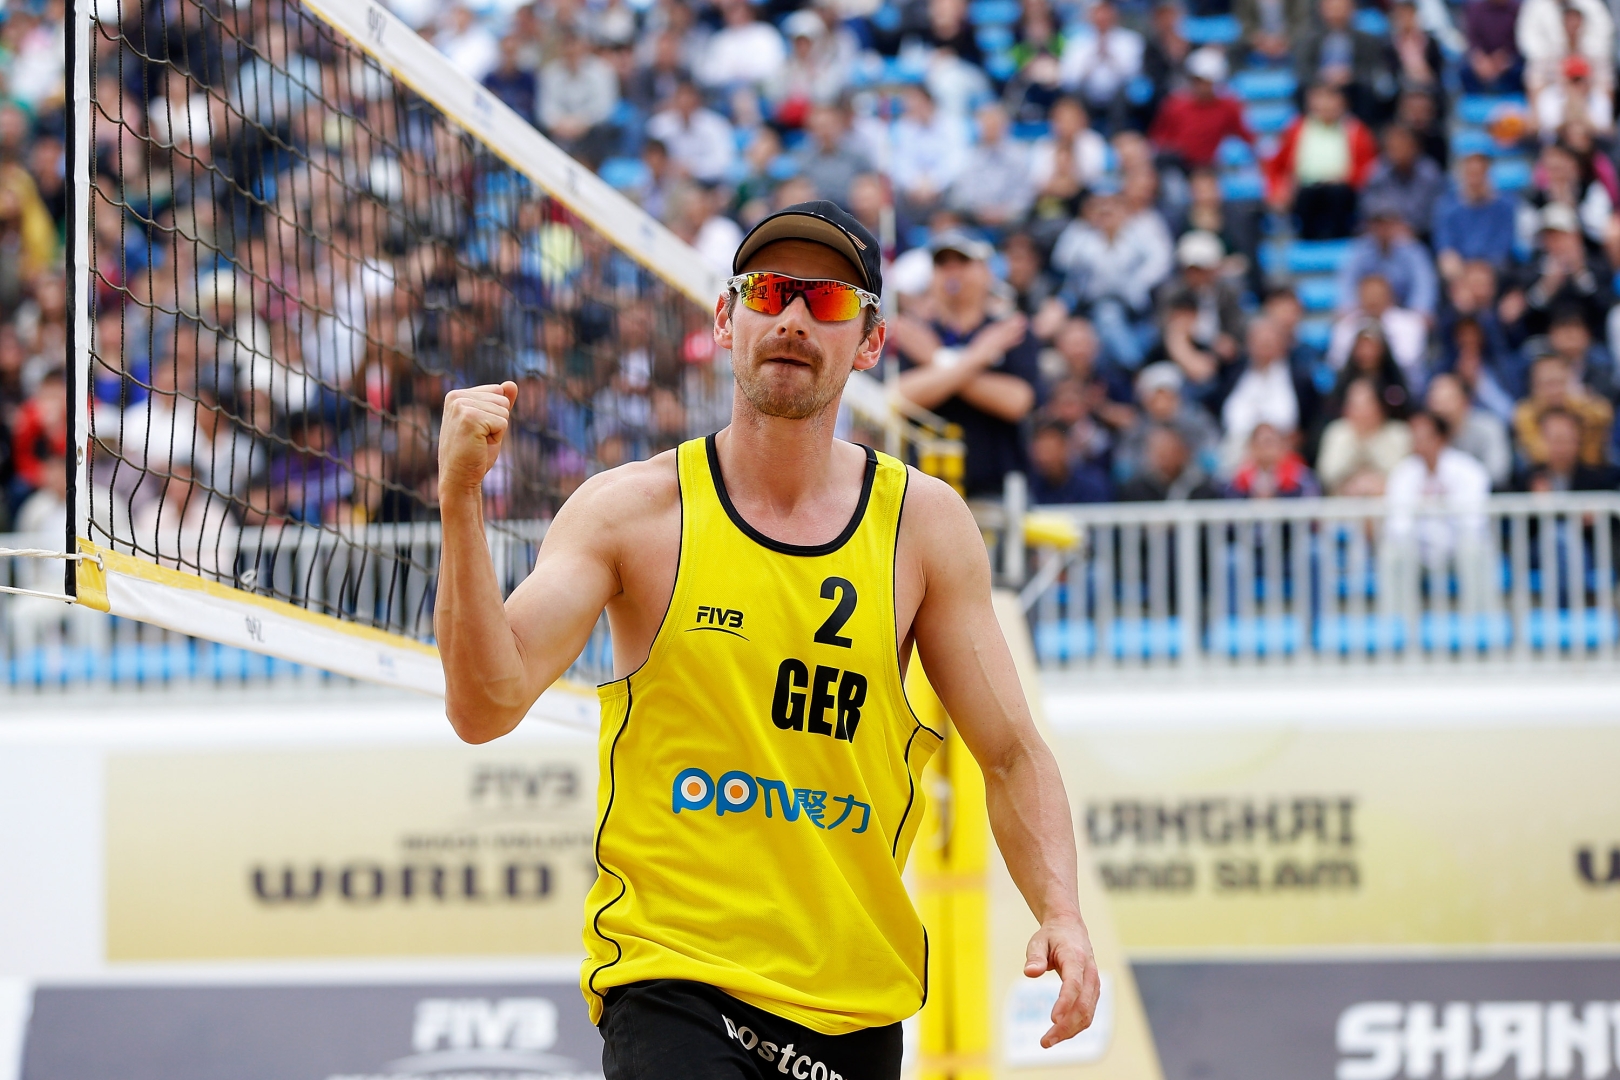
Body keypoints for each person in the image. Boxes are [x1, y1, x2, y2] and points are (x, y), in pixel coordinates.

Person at [434, 201, 1100, 1079]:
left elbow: (1011, 755)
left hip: (851, 1002)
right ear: (726, 318)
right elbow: (484, 706)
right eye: (769, 292)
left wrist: (1062, 912)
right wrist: (460, 500)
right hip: (675, 978)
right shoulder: (631, 511)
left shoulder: (923, 526)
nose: (791, 318)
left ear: (869, 342)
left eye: (826, 301)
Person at [892, 232, 1041, 498]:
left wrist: (935, 362)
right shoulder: (917, 333)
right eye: (942, 265)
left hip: (996, 489)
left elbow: (1017, 401)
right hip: (925, 488)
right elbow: (899, 398)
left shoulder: (1011, 331)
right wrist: (977, 357)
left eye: (963, 263)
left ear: (986, 272)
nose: (953, 273)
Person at [1264, 83, 1380, 240]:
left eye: (1331, 99)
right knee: (1306, 195)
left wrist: (1348, 179)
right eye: (1320, 98)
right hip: (1305, 191)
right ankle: (1306, 238)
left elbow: (1369, 168)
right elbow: (1275, 165)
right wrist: (1277, 190)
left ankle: (1340, 237)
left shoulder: (1356, 130)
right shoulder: (1296, 129)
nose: (1325, 104)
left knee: (1337, 194)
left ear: (1343, 102)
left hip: (1343, 192)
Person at [1384, 409, 1492, 554]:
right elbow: (1399, 522)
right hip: (1418, 550)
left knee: (1472, 543)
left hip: (1459, 547)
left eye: (1424, 436)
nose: (1418, 441)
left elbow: (1472, 519)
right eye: (1414, 436)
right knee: (1395, 548)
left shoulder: (1468, 470)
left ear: (1441, 438)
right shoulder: (1403, 472)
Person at [1147, 47, 1255, 171]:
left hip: (1210, 167)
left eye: (1206, 82)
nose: (1202, 87)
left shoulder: (1228, 107)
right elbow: (1160, 138)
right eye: (1198, 81)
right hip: (1180, 166)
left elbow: (1246, 136)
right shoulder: (1175, 105)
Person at [1335, 198, 1439, 319]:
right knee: (1345, 324)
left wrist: (1420, 309)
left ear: (1397, 224)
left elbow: (1423, 283)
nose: (1383, 229)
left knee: (1415, 323)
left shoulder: (1413, 250)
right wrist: (1347, 306)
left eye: (1388, 223)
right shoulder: (1359, 250)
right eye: (1378, 224)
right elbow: (1347, 280)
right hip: (1365, 312)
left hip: (1404, 313)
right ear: (1370, 226)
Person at [1221, 317, 1301, 470]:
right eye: (1260, 342)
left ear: (1282, 343)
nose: (1265, 347)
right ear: (1249, 344)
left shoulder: (1299, 377)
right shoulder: (1232, 373)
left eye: (1270, 342)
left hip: (1283, 449)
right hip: (1238, 448)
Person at [1512, 352, 1613, 466]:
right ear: (1535, 386)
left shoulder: (1583, 406)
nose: (1554, 391)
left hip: (1584, 467)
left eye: (1559, 383)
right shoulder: (1525, 413)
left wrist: (1579, 406)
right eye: (1548, 384)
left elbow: (1592, 455)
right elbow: (1539, 455)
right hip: (1542, 469)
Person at [1058, 0, 1144, 132]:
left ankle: (1118, 135)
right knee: (1074, 96)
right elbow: (1068, 79)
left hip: (1118, 95)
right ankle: (1082, 135)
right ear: (1090, 15)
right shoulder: (1077, 42)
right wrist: (1091, 61)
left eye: (1106, 12)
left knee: (1124, 94)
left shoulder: (1130, 40)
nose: (1102, 17)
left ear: (1114, 14)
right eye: (1098, 12)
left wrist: (1111, 58)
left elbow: (1134, 76)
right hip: (1087, 95)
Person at [1317, 376, 1413, 495]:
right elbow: (1326, 475)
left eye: (1366, 404)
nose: (1359, 411)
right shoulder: (1337, 432)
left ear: (1380, 406)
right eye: (1354, 404)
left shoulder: (1398, 433)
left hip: (1388, 501)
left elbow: (1405, 475)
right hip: (1343, 501)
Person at [1432, 150, 1518, 280]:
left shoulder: (1505, 206)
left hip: (1494, 269)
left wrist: (1480, 269)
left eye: (1479, 173)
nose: (1475, 180)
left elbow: (1503, 245)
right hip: (1461, 270)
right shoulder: (1447, 208)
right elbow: (1445, 246)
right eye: (1471, 173)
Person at [1361, 125, 1447, 242]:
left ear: (1415, 147)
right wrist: (1389, 226)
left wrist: (1411, 228)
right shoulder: (1376, 172)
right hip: (1382, 236)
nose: (1398, 151)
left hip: (1421, 237)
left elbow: (1437, 212)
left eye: (1403, 145)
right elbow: (1368, 207)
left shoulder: (1430, 174)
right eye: (1393, 147)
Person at [1425, 372, 1512, 487]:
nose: (1439, 408)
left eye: (1447, 400)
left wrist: (1464, 482)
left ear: (1465, 401)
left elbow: (1498, 473)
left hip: (1484, 494)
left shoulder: (1488, 428)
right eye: (1435, 401)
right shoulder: (1426, 434)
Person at [646, 78, 737, 185]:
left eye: (689, 99)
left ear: (698, 101)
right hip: (669, 183)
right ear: (674, 100)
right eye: (681, 99)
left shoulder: (717, 125)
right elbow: (651, 159)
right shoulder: (658, 126)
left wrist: (694, 169)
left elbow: (724, 162)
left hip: (707, 184)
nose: (685, 104)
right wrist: (670, 167)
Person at [1519, 406, 1620, 488]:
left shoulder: (1599, 481)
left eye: (1566, 440)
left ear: (1578, 440)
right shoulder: (1528, 481)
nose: (1561, 449)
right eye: (1555, 441)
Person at [1116, 424, 1222, 500]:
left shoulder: (1202, 487)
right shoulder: (1136, 489)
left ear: (1184, 451)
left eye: (1170, 450)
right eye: (1159, 452)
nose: (1164, 458)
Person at [1225, 423, 1321, 498]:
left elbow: (1311, 500)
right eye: (1262, 443)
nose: (1266, 449)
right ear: (1252, 447)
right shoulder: (1237, 479)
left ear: (1281, 445)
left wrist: (1278, 495)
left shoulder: (1300, 476)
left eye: (1270, 442)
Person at [1029, 417, 1112, 503]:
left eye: (1049, 449)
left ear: (1065, 447)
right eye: (1039, 450)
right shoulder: (1031, 485)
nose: (1043, 457)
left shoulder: (1092, 484)